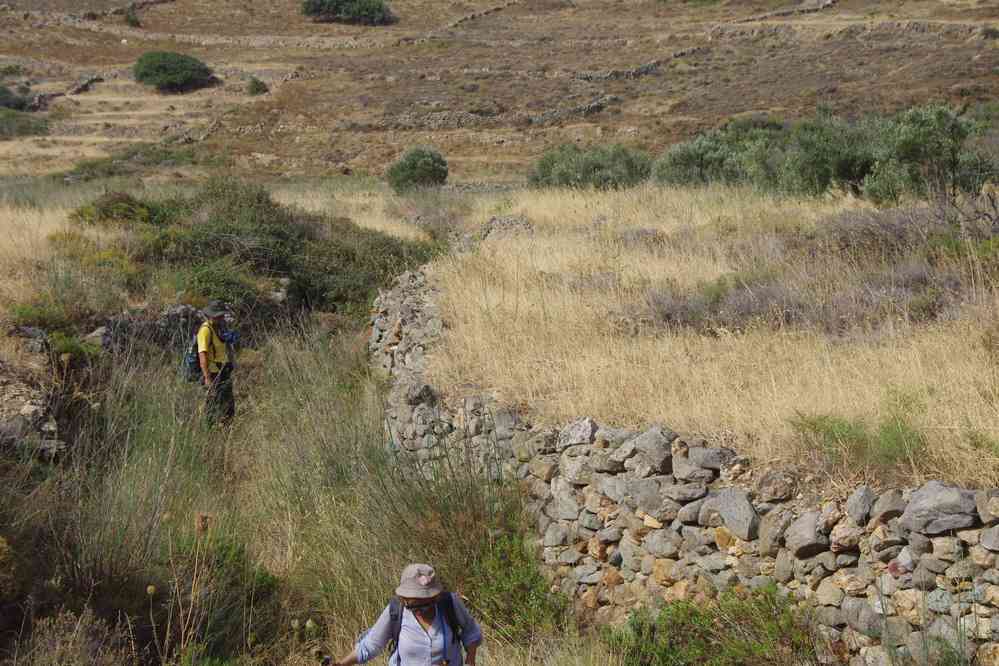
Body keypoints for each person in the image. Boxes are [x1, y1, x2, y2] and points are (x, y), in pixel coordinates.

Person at [332, 563, 482, 666]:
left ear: (436, 597)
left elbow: (471, 630)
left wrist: (470, 659)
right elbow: (371, 645)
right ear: (403, 598)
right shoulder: (396, 610)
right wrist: (342, 663)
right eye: (413, 606)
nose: (420, 610)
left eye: (426, 604)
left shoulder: (449, 603)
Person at [197, 300, 236, 424]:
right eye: (219, 316)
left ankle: (226, 429)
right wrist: (207, 378)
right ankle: (209, 430)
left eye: (222, 315)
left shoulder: (219, 328)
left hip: (223, 370)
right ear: (211, 315)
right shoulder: (205, 330)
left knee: (228, 405)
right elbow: (202, 355)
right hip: (213, 373)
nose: (221, 317)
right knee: (212, 405)